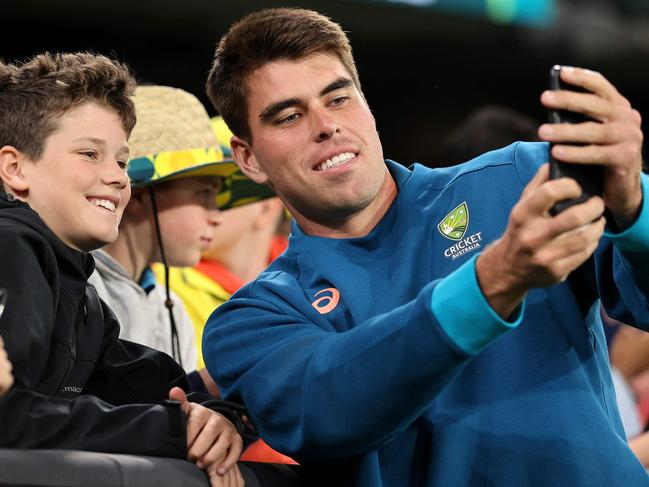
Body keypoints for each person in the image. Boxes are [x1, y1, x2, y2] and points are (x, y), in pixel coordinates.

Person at [201, 8, 649, 486]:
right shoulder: (251, 319)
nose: (325, 126)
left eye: (338, 98)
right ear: (248, 158)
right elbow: (329, 409)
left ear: (367, 105)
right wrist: (492, 284)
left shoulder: (522, 180)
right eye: (289, 116)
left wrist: (635, 209)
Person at [0, 52, 244, 487]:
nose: (115, 177)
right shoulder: (11, 248)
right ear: (15, 169)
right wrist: (174, 429)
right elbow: (8, 418)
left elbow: (152, 386)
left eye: (121, 161)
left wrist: (216, 418)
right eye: (90, 154)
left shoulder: (81, 292)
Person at [89, 84, 240, 394]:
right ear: (141, 195)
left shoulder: (172, 309)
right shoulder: (77, 288)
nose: (216, 215)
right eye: (203, 194)